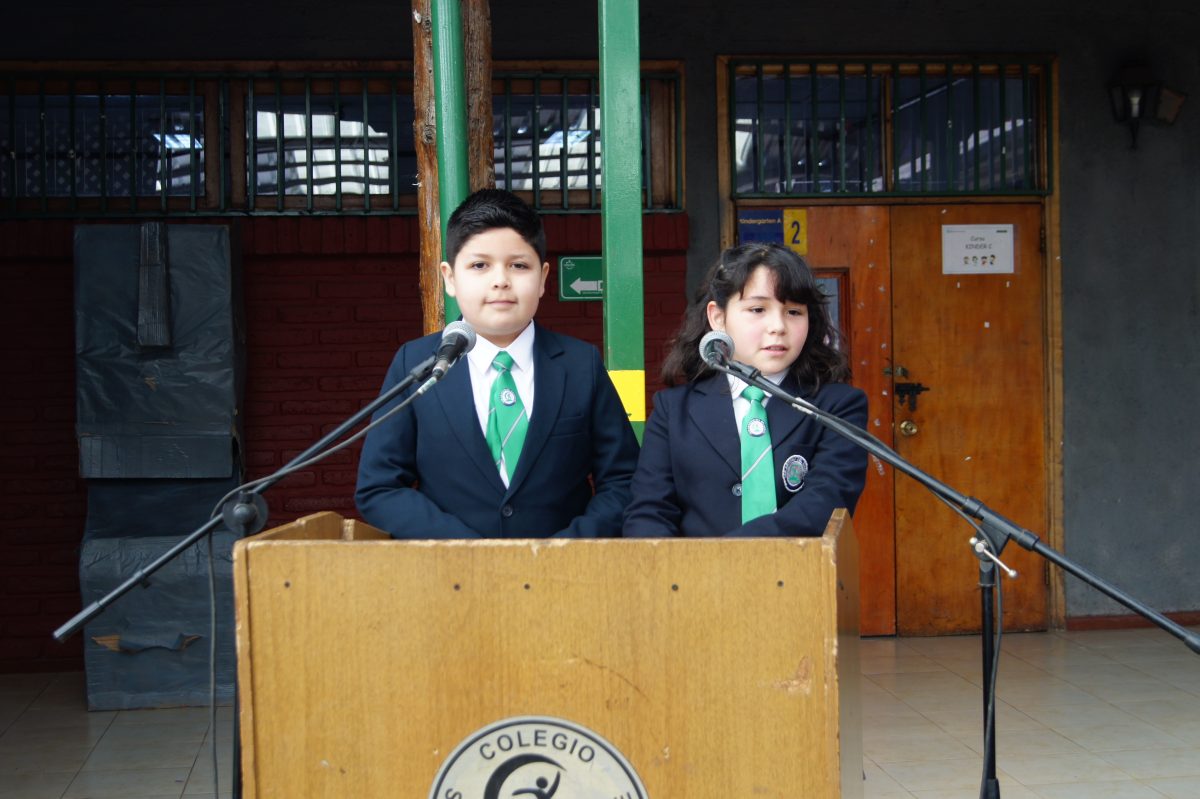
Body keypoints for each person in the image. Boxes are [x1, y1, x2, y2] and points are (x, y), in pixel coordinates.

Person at [356, 189, 640, 538]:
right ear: (449, 277)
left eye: (519, 265)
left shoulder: (581, 365)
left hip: (564, 578)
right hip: (452, 578)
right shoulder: (416, 364)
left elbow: (624, 479)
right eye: (480, 265)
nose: (501, 280)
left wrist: (568, 547)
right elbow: (379, 488)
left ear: (543, 278)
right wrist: (467, 550)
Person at [622, 242, 868, 538]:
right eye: (757, 309)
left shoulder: (837, 407)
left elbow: (823, 504)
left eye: (793, 311)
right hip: (688, 581)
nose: (778, 326)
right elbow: (649, 512)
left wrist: (734, 558)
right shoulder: (673, 410)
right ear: (718, 317)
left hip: (800, 577)